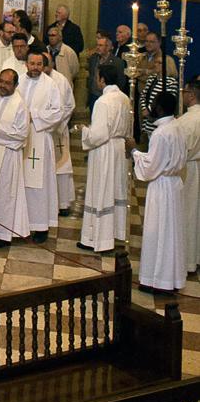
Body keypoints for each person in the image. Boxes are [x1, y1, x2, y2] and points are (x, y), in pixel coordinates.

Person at [129, 93, 187, 293]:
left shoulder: (161, 133)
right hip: (174, 183)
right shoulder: (177, 126)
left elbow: (151, 167)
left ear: (160, 109)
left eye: (154, 104)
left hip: (161, 187)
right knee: (171, 233)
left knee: (159, 231)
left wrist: (134, 151)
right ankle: (171, 278)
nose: (151, 107)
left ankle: (157, 280)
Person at [78, 64, 132, 253]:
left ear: (102, 79)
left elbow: (98, 135)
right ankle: (112, 234)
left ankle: (96, 238)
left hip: (105, 150)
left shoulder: (103, 101)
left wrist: (84, 131)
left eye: (97, 77)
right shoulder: (124, 98)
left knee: (100, 190)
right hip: (118, 148)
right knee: (114, 190)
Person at [19, 49, 64, 242]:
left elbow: (57, 112)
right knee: (21, 181)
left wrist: (34, 116)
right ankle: (21, 223)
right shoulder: (19, 80)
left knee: (40, 183)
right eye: (32, 64)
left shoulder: (50, 85)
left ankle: (41, 226)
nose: (35, 68)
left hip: (40, 136)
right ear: (26, 64)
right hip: (20, 138)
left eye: (39, 64)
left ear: (44, 66)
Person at [0, 68, 30, 248]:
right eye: (0, 81)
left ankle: (2, 235)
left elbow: (22, 134)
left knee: (3, 196)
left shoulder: (20, 105)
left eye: (7, 83)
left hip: (7, 155)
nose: (2, 85)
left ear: (16, 85)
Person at [44, 51, 76, 215]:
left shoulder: (60, 80)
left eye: (47, 62)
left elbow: (69, 105)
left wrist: (58, 123)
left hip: (58, 130)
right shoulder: (38, 81)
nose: (44, 66)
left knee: (61, 167)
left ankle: (62, 203)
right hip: (42, 131)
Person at [175, 77, 200, 274]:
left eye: (184, 92)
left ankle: (187, 260)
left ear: (191, 95)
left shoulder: (185, 121)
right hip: (195, 167)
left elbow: (177, 151)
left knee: (188, 213)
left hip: (187, 170)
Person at [87, 30, 128, 109]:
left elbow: (121, 81)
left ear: (108, 47)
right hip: (93, 95)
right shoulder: (93, 59)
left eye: (101, 45)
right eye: (97, 45)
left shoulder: (117, 62)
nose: (98, 48)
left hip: (109, 97)